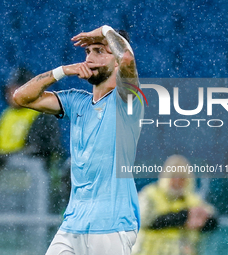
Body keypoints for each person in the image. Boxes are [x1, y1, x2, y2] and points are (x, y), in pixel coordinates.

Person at [13, 25, 144, 254]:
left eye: (100, 51)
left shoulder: (127, 101)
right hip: (74, 223)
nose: (90, 58)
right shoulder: (76, 102)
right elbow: (21, 97)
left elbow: (127, 58)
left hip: (112, 225)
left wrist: (104, 31)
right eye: (88, 52)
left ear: (115, 62)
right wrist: (64, 70)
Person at [0, 67, 63, 177]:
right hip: (9, 180)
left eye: (16, 88)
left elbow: (37, 150)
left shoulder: (42, 113)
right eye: (9, 89)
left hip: (33, 182)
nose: (11, 93)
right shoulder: (6, 114)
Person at [132, 155, 218, 255]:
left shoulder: (193, 200)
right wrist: (183, 217)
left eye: (182, 177)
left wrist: (205, 221)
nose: (177, 181)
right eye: (173, 176)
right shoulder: (150, 194)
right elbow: (142, 220)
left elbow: (212, 219)